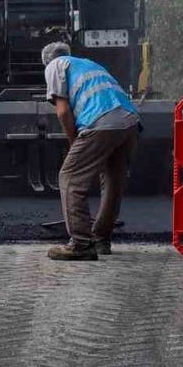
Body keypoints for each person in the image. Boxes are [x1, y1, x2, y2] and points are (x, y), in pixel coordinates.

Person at [42, 41, 140, 261]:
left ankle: (81, 244)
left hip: (101, 122)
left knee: (70, 177)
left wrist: (74, 142)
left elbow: (63, 111)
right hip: (130, 122)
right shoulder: (89, 64)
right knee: (113, 181)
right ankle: (101, 240)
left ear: (47, 61)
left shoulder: (55, 65)